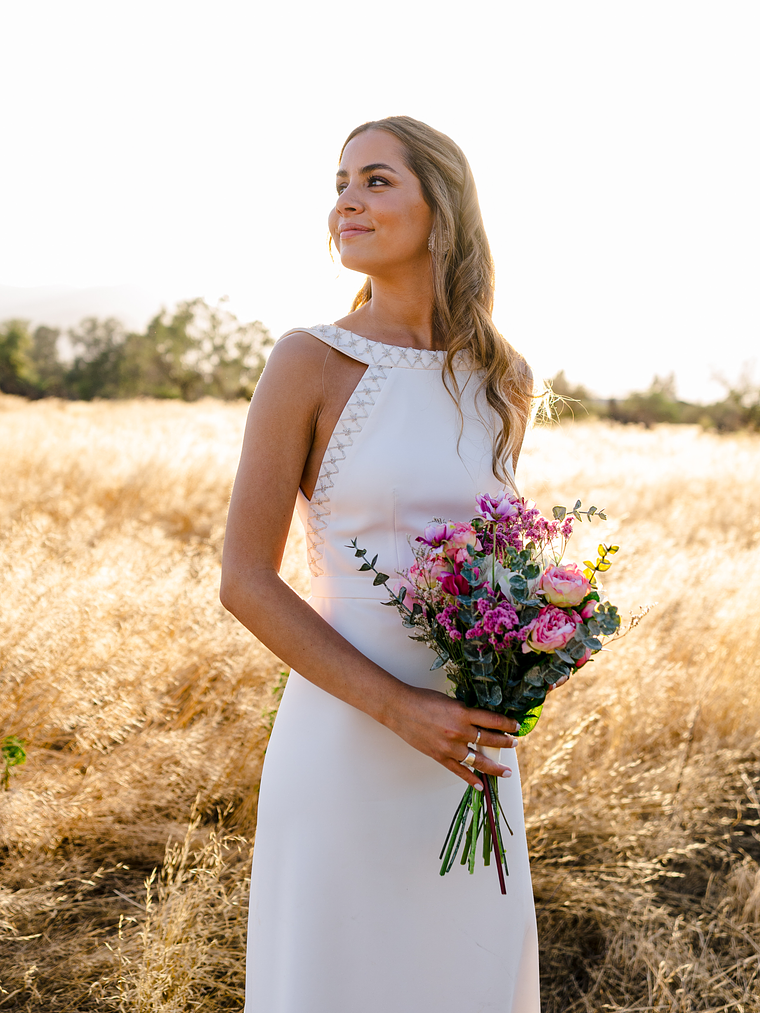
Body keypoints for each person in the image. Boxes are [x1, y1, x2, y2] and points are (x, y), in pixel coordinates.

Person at [221, 115, 553, 1013]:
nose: (345, 201)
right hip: (347, 741)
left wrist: (533, 648)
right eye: (340, 182)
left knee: (466, 976)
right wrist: (401, 710)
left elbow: (503, 562)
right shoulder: (309, 361)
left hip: (473, 752)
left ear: (440, 208)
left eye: (375, 180)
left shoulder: (502, 375)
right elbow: (244, 579)